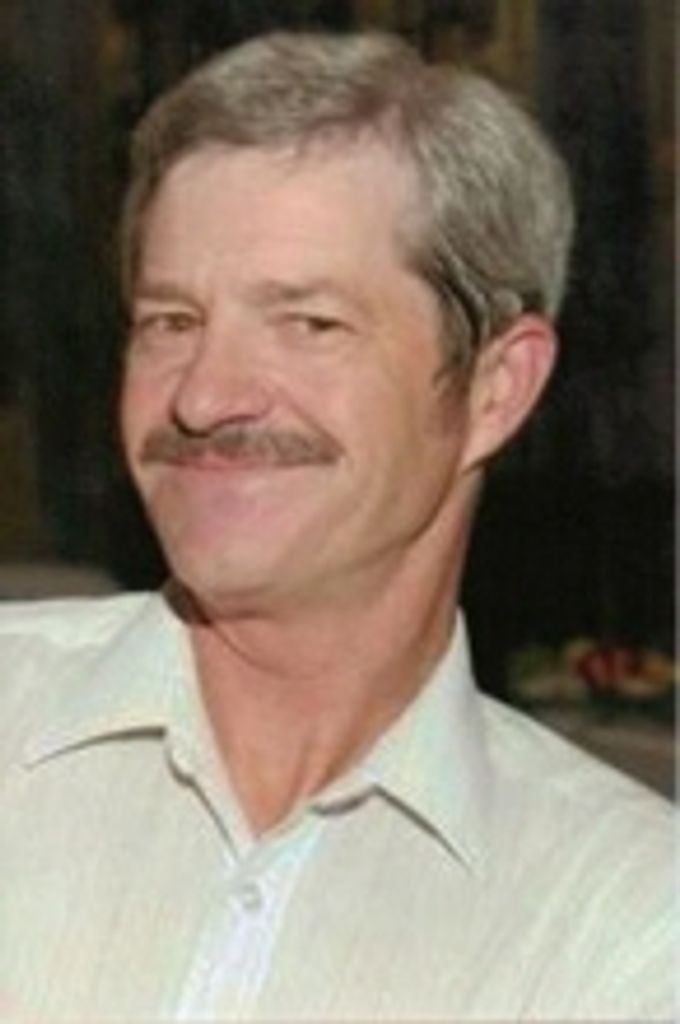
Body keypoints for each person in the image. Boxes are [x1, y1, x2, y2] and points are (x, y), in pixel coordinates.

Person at [0, 30, 673, 1023]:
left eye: (307, 324)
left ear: (494, 388)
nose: (203, 397)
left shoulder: (625, 920)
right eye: (171, 322)